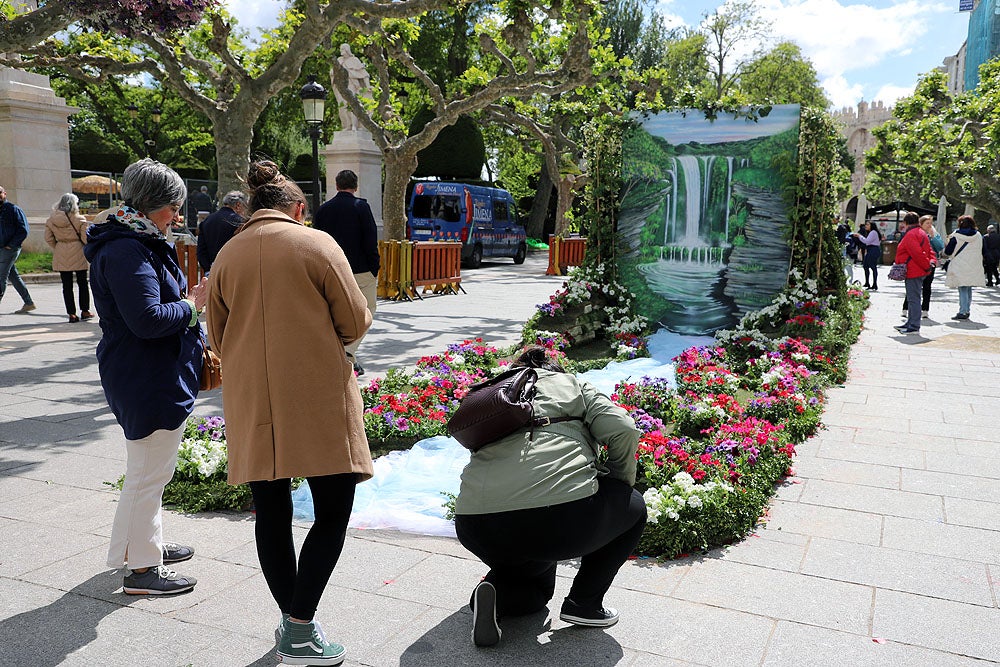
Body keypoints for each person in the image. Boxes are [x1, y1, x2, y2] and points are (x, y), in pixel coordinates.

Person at [206, 160, 372, 666]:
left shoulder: (227, 255)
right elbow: (356, 319)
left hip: (254, 398)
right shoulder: (316, 244)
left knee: (271, 515)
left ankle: (292, 620)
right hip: (318, 393)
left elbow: (216, 336)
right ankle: (300, 627)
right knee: (333, 510)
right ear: (298, 209)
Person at [454, 346, 646, 648]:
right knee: (633, 506)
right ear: (554, 368)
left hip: (475, 525)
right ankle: (585, 603)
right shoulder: (572, 385)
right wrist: (619, 485)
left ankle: (492, 595)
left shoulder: (494, 395)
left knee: (536, 590)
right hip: (556, 521)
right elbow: (623, 428)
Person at [84, 158, 207, 595]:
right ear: (150, 204)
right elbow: (149, 319)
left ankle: (141, 546)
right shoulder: (127, 248)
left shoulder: (133, 238)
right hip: (147, 376)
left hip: (146, 371)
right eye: (171, 208)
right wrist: (193, 304)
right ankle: (141, 570)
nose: (176, 217)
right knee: (148, 474)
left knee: (149, 471)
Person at [312, 169, 380, 376]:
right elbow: (370, 239)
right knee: (367, 311)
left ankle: (345, 353)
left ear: (337, 185)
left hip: (330, 270)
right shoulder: (361, 207)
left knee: (333, 313)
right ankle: (348, 351)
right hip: (359, 270)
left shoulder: (323, 210)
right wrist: (374, 268)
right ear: (356, 186)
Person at [45, 193, 93, 323]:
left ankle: (71, 314)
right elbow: (85, 239)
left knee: (66, 286)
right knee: (82, 283)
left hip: (61, 250)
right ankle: (85, 310)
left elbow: (48, 238)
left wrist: (58, 246)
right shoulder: (79, 219)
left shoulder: (52, 219)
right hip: (78, 251)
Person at [893, 212, 934, 334]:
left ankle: (914, 326)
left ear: (906, 223)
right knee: (913, 298)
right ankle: (910, 322)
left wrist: (927, 266)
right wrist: (929, 264)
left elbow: (917, 254)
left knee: (913, 299)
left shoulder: (911, 234)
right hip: (917, 270)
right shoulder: (921, 233)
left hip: (914, 270)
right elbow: (929, 251)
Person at [0, 185, 36, 314]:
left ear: (4, 193)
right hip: (2, 248)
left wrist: (12, 245)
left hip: (9, 249)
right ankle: (28, 302)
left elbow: (23, 230)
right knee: (12, 275)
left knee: (1, 276)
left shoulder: (13, 209)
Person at [943, 215, 986, 321]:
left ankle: (962, 311)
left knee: (962, 287)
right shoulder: (978, 235)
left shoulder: (956, 235)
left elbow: (948, 251)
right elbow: (983, 250)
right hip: (974, 264)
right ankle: (967, 310)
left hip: (959, 264)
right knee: (968, 287)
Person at [901, 215, 943, 320]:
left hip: (927, 265)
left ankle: (924, 311)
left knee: (925, 288)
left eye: (930, 223)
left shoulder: (931, 234)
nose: (929, 225)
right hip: (920, 265)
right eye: (927, 223)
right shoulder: (917, 234)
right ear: (921, 224)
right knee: (913, 290)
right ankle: (906, 310)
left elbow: (939, 247)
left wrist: (933, 237)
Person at [196, 190, 247, 272]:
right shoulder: (240, 222)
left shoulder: (207, 220)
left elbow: (201, 252)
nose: (244, 212)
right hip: (233, 271)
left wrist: (208, 269)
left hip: (212, 270)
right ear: (238, 205)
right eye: (244, 207)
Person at [334, 43, 370, 131]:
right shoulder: (339, 60)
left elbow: (364, 74)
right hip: (341, 86)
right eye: (341, 49)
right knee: (342, 106)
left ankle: (355, 125)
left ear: (347, 50)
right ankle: (347, 125)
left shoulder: (354, 60)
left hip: (351, 85)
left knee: (352, 104)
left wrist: (368, 86)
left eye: (343, 49)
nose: (341, 51)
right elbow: (333, 73)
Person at [852, 220, 882, 290]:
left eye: (868, 225)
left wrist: (859, 236)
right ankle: (867, 282)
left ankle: (874, 284)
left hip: (873, 250)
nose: (866, 226)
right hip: (871, 249)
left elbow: (866, 241)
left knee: (872, 266)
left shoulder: (873, 232)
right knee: (866, 265)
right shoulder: (871, 232)